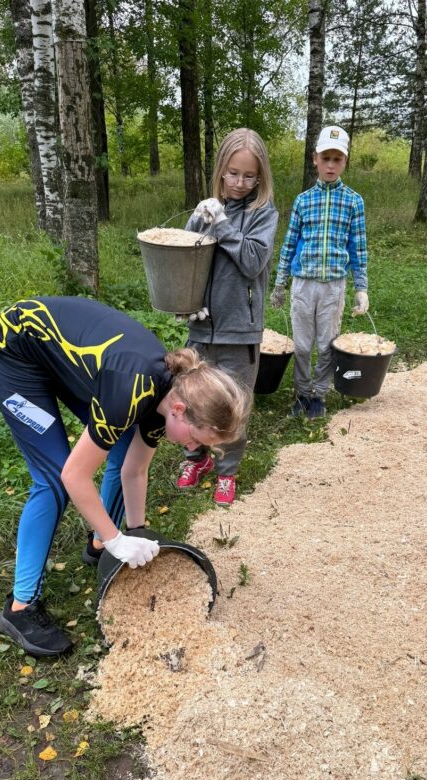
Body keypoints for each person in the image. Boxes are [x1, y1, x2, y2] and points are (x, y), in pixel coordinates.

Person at [0, 296, 251, 657]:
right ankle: (20, 608)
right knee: (52, 480)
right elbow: (74, 476)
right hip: (15, 351)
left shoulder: (167, 398)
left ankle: (97, 545)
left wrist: (136, 533)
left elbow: (135, 469)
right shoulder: (129, 392)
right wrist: (117, 539)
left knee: (123, 448)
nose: (192, 447)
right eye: (196, 439)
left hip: (61, 359)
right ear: (180, 411)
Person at [175, 127, 278, 506]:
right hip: (202, 326)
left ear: (260, 176)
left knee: (233, 403)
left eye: (249, 175)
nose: (239, 182)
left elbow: (252, 261)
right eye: (233, 173)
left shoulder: (263, 214)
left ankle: (227, 471)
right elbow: (187, 255)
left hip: (240, 330)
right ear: (221, 170)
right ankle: (195, 458)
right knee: (190, 396)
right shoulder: (208, 209)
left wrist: (223, 226)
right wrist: (198, 221)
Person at [270, 125, 369, 419]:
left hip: (333, 287)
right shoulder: (303, 200)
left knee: (327, 344)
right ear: (315, 159)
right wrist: (280, 283)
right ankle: (301, 394)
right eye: (325, 158)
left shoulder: (353, 201)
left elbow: (358, 247)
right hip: (303, 285)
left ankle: (319, 395)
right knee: (301, 345)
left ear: (345, 162)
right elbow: (289, 244)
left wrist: (361, 287)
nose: (330, 165)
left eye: (337, 159)